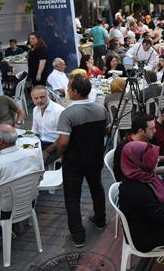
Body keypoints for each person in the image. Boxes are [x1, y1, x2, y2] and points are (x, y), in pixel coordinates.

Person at [57, 75, 111, 247]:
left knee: (72, 198)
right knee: (97, 188)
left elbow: (63, 142)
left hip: (74, 161)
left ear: (75, 92)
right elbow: (106, 129)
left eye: (69, 88)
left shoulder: (68, 113)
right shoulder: (100, 109)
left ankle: (78, 236)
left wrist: (61, 153)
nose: (67, 90)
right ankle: (100, 220)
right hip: (95, 157)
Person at [118, 141, 164, 253]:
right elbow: (161, 217)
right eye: (152, 158)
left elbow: (163, 184)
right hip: (147, 235)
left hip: (153, 221)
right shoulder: (135, 190)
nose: (157, 160)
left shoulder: (141, 174)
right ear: (141, 161)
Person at [30, 85, 65, 166]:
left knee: (38, 165)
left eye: (42, 97)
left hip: (56, 145)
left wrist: (47, 151)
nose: (39, 100)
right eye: (36, 98)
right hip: (40, 143)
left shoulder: (59, 111)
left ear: (48, 96)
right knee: (25, 158)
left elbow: (63, 137)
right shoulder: (35, 109)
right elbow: (34, 130)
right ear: (32, 99)